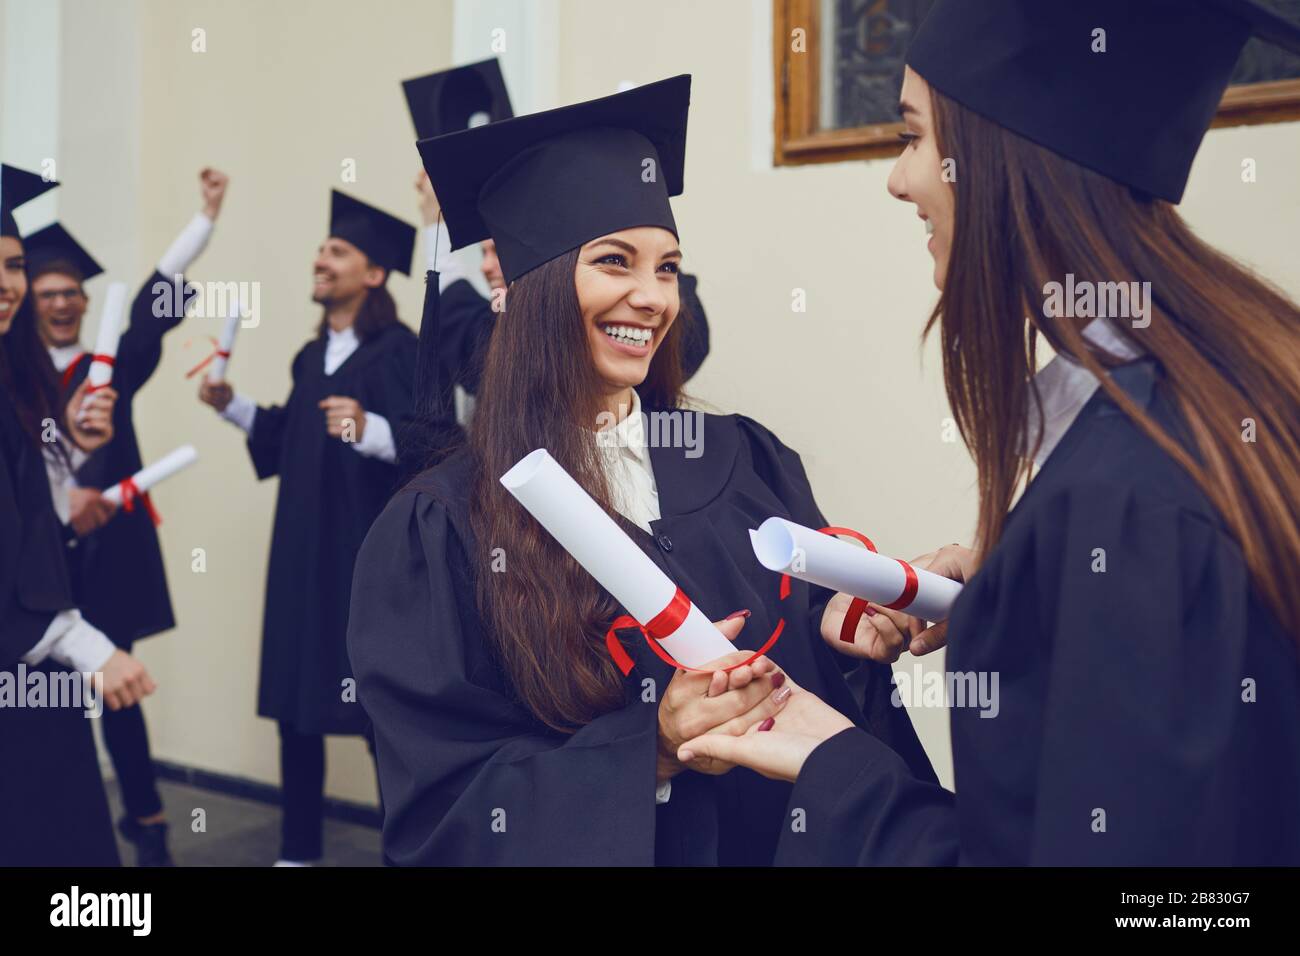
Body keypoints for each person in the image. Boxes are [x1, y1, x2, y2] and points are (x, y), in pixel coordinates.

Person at [672, 0, 1300, 866]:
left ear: (1002, 159)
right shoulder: (1231, 393)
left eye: (914, 136)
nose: (898, 178)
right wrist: (1016, 589)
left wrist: (835, 766)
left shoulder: (1129, 498)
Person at [347, 76, 933, 865]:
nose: (652, 297)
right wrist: (650, 751)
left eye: (668, 268)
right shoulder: (441, 526)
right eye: (615, 261)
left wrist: (845, 637)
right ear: (532, 288)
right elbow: (445, 809)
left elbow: (822, 685)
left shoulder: (744, 458)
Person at [198, 189, 417, 865]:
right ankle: (297, 853)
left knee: (380, 716)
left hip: (360, 561)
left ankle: (406, 853)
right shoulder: (307, 356)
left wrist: (371, 428)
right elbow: (287, 440)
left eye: (338, 250)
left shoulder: (398, 352)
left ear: (373, 273)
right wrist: (231, 406)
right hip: (300, 553)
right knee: (298, 702)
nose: (321, 259)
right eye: (322, 248)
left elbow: (434, 444)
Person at [26, 167, 228, 865]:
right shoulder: (15, 376)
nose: (60, 304)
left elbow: (149, 309)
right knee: (41, 695)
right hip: (32, 560)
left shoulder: (108, 367)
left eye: (70, 294)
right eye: (46, 293)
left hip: (107, 551)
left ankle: (147, 822)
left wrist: (201, 223)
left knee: (118, 687)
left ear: (84, 303)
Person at [0, 163, 156, 866]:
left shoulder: (12, 378)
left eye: (13, 266)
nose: (10, 285)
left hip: (32, 671)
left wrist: (72, 450)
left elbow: (25, 509)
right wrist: (89, 646)